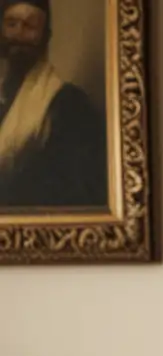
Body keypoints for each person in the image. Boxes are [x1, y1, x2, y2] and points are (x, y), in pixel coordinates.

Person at [0, 0, 106, 210]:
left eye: (30, 26)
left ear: (45, 36)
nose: (19, 33)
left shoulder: (69, 105)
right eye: (11, 24)